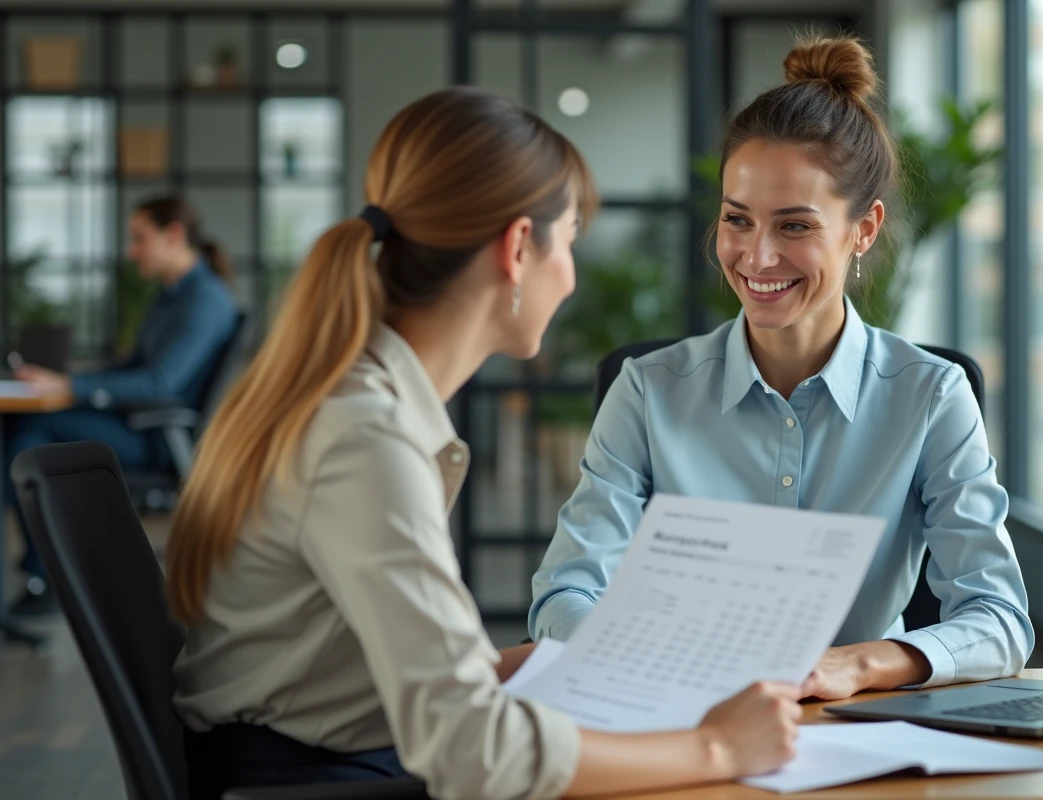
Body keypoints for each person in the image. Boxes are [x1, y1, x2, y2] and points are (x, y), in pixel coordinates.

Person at [168, 87, 801, 800]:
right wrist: (719, 747)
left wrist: (549, 661)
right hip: (320, 781)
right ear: (519, 247)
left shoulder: (355, 401)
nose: (570, 276)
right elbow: (474, 752)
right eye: (569, 241)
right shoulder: (364, 441)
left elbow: (361, 670)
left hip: (328, 758)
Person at [530, 34, 1034, 700]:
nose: (757, 256)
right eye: (737, 220)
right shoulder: (648, 392)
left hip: (856, 720)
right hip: (680, 717)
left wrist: (855, 666)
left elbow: (999, 619)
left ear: (864, 229)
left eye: (795, 226)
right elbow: (564, 595)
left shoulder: (931, 396)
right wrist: (643, 658)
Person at [6, 194, 238, 615]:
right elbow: (132, 365)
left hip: (157, 437)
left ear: (173, 235)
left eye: (139, 239)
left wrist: (71, 385)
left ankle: (43, 579)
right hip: (132, 422)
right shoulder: (169, 295)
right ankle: (42, 574)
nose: (131, 252)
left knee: (31, 435)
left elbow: (160, 382)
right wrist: (64, 378)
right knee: (18, 427)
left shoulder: (205, 299)